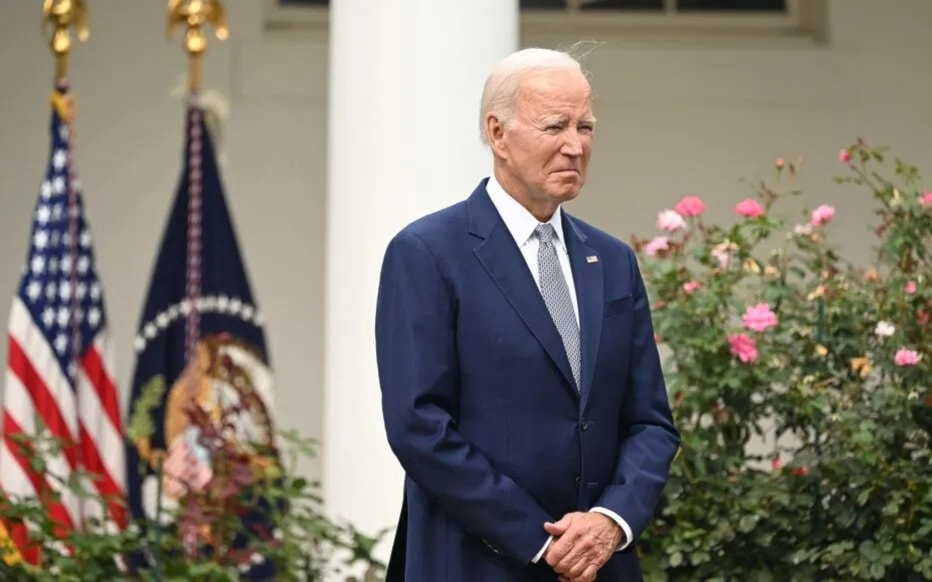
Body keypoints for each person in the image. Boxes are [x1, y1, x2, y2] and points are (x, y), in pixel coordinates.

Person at [374, 46, 680, 582]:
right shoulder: (426, 252)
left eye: (585, 127)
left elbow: (650, 422)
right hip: (474, 563)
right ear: (497, 134)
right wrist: (539, 539)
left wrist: (610, 521)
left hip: (600, 564)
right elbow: (419, 426)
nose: (575, 146)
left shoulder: (611, 260)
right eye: (555, 126)